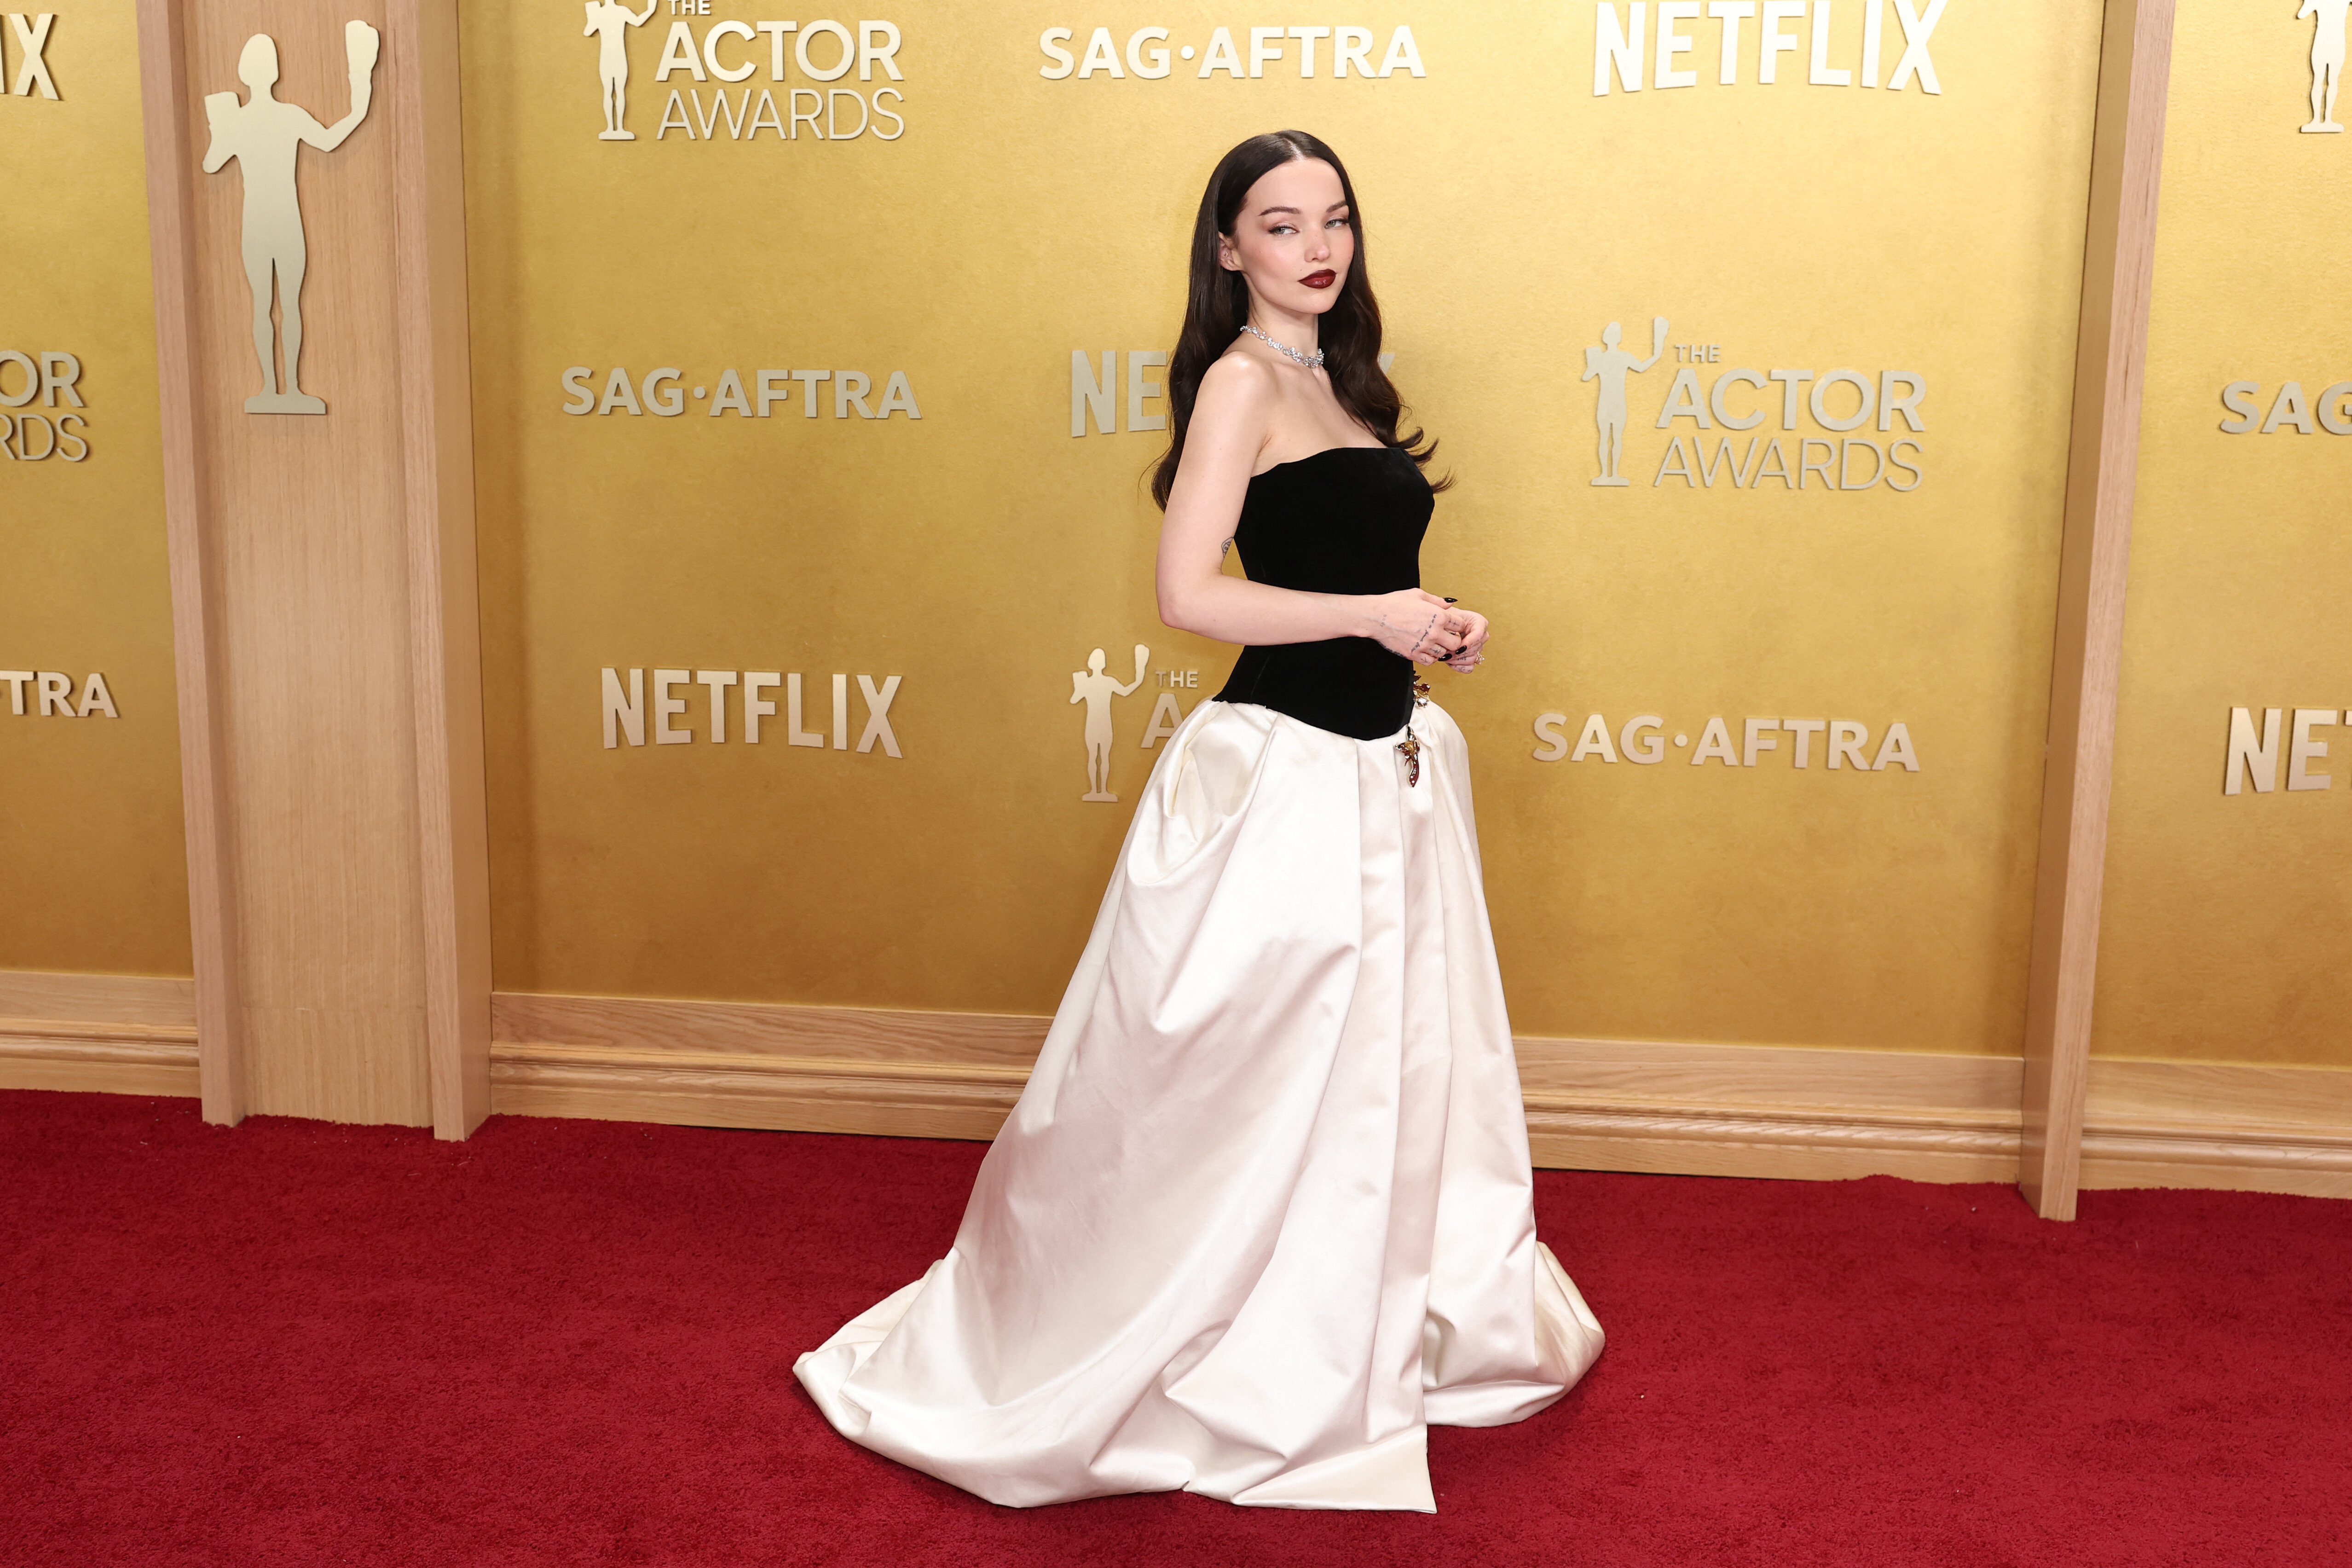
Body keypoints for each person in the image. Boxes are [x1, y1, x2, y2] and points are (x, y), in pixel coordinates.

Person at [795, 130, 1604, 1512]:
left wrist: (1425, 624)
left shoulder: (1339, 379)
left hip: (1388, 768)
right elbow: (1189, 594)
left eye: (1334, 218)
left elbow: (1346, 568)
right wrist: (1373, 615)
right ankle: (1183, 1329)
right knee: (1229, 1079)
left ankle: (1349, 1302)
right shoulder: (1239, 382)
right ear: (1227, 248)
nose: (1317, 246)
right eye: (1281, 225)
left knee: (1377, 1065)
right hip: (1284, 778)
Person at [201, 26, 378, 415]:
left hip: (257, 223)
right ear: (275, 72)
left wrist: (219, 126)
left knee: (263, 306)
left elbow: (212, 162)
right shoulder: (288, 116)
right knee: (289, 306)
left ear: (244, 73)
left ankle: (272, 388)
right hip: (284, 221)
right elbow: (330, 139)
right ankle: (291, 389)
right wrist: (360, 93)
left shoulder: (239, 121)